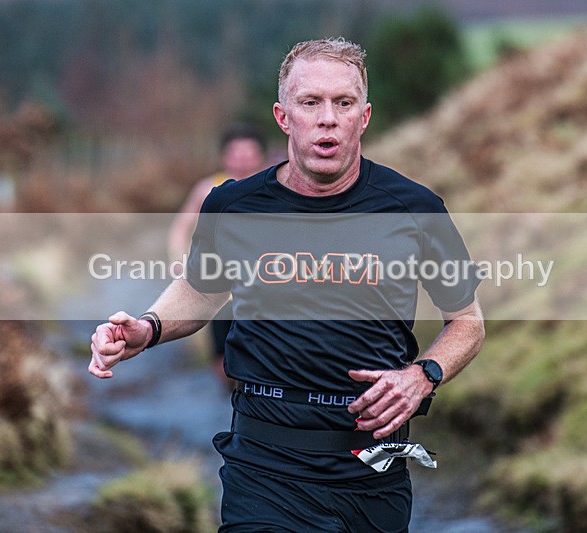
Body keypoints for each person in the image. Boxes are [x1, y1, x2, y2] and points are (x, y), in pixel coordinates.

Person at [90, 37, 485, 532]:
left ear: (364, 117)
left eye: (344, 103)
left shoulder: (415, 209)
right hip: (262, 466)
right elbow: (201, 291)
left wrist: (423, 375)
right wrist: (147, 328)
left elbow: (467, 321)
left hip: (369, 471)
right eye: (310, 102)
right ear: (283, 117)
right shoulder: (233, 206)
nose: (327, 119)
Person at [168, 125, 267, 389]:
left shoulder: (274, 188)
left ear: (260, 156)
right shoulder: (208, 189)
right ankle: (228, 398)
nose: (243, 160)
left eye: (249, 153)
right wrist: (179, 261)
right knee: (222, 364)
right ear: (225, 156)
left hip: (261, 289)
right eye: (237, 153)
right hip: (220, 288)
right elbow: (181, 227)